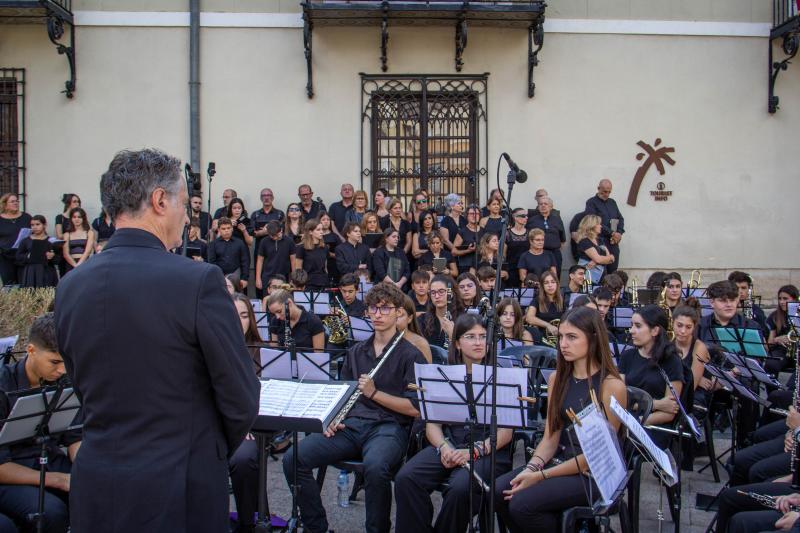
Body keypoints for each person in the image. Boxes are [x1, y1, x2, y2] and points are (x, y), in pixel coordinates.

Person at [54, 148, 259, 532]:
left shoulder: (70, 286)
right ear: (160, 200)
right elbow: (241, 395)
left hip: (97, 479)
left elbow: (80, 381)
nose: (187, 215)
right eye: (183, 202)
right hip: (178, 484)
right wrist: (207, 451)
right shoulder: (198, 280)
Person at [282, 282, 426, 533]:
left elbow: (416, 409)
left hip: (388, 429)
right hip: (352, 426)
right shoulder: (356, 351)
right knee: (293, 459)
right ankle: (316, 526)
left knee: (375, 467)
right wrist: (334, 418)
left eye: (385, 309)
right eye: (373, 308)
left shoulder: (411, 355)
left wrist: (375, 393)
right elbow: (343, 394)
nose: (378, 314)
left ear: (397, 313)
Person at [494, 306, 627, 531]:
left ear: (594, 339)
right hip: (560, 461)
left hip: (592, 474)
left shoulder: (611, 385)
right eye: (561, 337)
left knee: (521, 504)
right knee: (500, 491)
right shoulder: (558, 378)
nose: (563, 344)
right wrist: (532, 468)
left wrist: (541, 476)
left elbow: (598, 456)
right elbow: (550, 436)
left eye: (572, 337)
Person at [395, 314, 514, 532]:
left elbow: (506, 433)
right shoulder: (443, 374)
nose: (479, 343)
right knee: (406, 478)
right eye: (471, 337)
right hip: (450, 442)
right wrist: (443, 447)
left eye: (483, 337)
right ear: (457, 343)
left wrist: (474, 452)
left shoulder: (503, 376)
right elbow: (432, 425)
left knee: (461, 488)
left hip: (489, 449)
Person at [0, 313, 80, 533]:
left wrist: (87, 469)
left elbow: (75, 436)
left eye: (66, 361)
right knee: (51, 513)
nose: (62, 370)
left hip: (48, 459)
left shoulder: (63, 380)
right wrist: (59, 480)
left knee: (101, 489)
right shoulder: (3, 385)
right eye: (54, 362)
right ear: (31, 351)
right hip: (10, 472)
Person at [618, 304, 684, 449]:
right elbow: (620, 400)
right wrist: (656, 404)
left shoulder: (671, 361)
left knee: (626, 444)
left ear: (655, 330)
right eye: (631, 325)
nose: (631, 331)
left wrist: (637, 420)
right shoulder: (627, 356)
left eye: (638, 326)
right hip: (627, 419)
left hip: (654, 425)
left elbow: (670, 412)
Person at [584, 179, 624, 273]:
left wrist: (619, 233)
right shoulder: (591, 202)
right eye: (605, 191)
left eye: (609, 192)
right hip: (599, 241)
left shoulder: (612, 202)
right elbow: (593, 222)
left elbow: (620, 218)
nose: (607, 194)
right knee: (601, 272)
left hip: (613, 242)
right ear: (598, 188)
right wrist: (612, 233)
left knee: (613, 270)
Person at [419, 275, 463, 349]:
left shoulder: (462, 319)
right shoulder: (422, 320)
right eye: (433, 292)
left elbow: (467, 352)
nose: (436, 296)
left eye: (441, 291)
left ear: (450, 293)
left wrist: (452, 335)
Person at [527, 196, 566, 275]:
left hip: (555, 254)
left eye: (546, 204)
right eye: (540, 204)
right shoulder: (532, 220)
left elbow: (562, 239)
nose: (543, 206)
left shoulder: (557, 220)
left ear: (551, 207)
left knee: (555, 277)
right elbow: (528, 238)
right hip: (538, 254)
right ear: (538, 207)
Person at [209, 217, 250, 291]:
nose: (226, 230)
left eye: (228, 228)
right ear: (219, 230)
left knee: (237, 298)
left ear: (232, 229)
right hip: (219, 276)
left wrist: (244, 278)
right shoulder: (213, 244)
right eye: (223, 229)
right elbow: (211, 263)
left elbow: (245, 261)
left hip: (236, 275)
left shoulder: (240, 243)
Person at [16, 215, 58, 288]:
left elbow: (58, 259)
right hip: (31, 272)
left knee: (47, 295)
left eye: (37, 224)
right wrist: (28, 255)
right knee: (31, 294)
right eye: (32, 225)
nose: (35, 227)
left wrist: (52, 256)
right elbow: (18, 256)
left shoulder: (51, 240)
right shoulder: (26, 241)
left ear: (44, 225)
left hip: (47, 272)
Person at [767, 284, 800, 375]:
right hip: (783, 351)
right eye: (780, 298)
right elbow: (769, 343)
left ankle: (791, 388)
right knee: (770, 363)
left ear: (794, 299)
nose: (781, 302)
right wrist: (776, 339)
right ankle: (773, 388)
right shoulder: (774, 316)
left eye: (785, 299)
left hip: (797, 350)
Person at [255, 221, 294, 297]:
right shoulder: (264, 242)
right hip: (267, 277)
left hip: (284, 276)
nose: (275, 237)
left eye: (277, 235)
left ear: (281, 230)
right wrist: (258, 278)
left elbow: (293, 260)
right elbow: (260, 260)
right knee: (267, 300)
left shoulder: (289, 241)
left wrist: (293, 279)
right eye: (273, 236)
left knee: (283, 300)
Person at [0, 193, 32, 285]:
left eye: (17, 201)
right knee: (9, 284)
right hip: (5, 257)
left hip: (23, 255)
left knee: (24, 283)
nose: (16, 203)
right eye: (12, 201)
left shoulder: (26, 217)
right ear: (5, 205)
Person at [524, 271, 564, 341]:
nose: (550, 285)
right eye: (546, 283)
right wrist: (548, 325)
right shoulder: (536, 301)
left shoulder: (564, 300)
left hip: (560, 339)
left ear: (557, 284)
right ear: (542, 286)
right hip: (542, 340)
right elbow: (529, 318)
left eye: (553, 282)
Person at [575, 214, 614, 285]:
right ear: (591, 226)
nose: (601, 226)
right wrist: (601, 259)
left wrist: (597, 261)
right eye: (598, 224)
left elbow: (611, 259)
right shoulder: (584, 241)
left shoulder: (600, 240)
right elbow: (601, 258)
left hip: (601, 277)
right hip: (589, 279)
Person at [729, 271, 769, 337]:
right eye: (736, 288)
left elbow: (764, 333)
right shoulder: (725, 307)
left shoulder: (756, 310)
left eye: (743, 288)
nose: (740, 291)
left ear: (749, 289)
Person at [292, 219, 329, 290]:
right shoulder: (301, 248)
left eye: (322, 229)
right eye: (318, 230)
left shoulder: (324, 247)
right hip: (308, 283)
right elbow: (298, 270)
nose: (321, 232)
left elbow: (325, 267)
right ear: (310, 232)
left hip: (323, 283)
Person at [397, 295, 433, 363]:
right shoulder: (382, 341)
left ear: (410, 318)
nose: (395, 318)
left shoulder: (420, 343)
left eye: (400, 315)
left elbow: (426, 371)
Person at [61, 207, 95, 275]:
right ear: (71, 219)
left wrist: (79, 265)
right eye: (74, 217)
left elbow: (87, 251)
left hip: (85, 263)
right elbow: (65, 254)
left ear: (83, 218)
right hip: (70, 264)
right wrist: (75, 265)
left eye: (79, 217)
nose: (77, 219)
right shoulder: (66, 234)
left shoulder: (89, 233)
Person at [250, 188, 285, 253]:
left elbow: (283, 232)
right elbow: (251, 233)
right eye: (264, 195)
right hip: (260, 249)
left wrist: (268, 231)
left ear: (272, 198)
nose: (266, 198)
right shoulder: (255, 214)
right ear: (261, 198)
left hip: (276, 249)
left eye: (268, 195)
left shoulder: (280, 214)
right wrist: (262, 232)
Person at [452, 205, 481, 275]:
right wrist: (468, 250)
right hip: (465, 266)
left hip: (481, 266)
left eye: (477, 214)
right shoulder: (462, 232)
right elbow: (454, 252)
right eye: (471, 214)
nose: (474, 216)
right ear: (467, 216)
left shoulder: (484, 231)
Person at [505, 208, 530, 287]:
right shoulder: (507, 233)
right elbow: (503, 254)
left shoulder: (530, 233)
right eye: (523, 216)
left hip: (527, 268)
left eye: (526, 216)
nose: (526, 218)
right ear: (515, 217)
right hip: (512, 269)